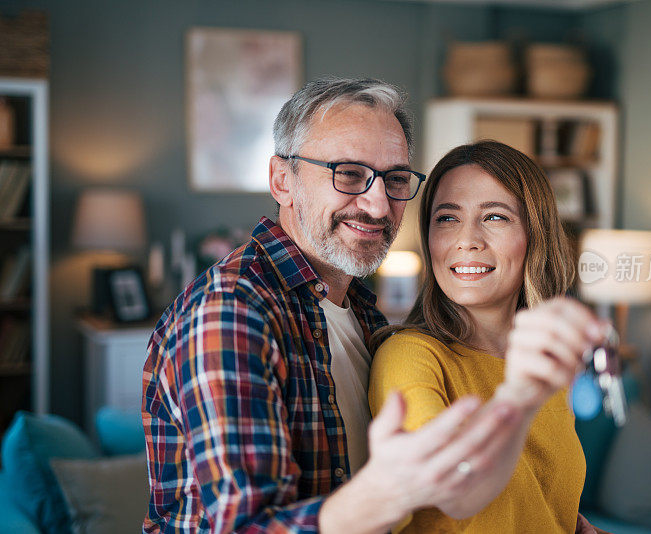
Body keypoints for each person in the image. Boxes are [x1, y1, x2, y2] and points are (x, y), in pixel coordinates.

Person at [141, 79, 541, 533]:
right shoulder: (231, 312)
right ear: (282, 180)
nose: (376, 204)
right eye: (348, 173)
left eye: (394, 179)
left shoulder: (360, 311)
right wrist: (388, 493)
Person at [369, 140, 610, 533]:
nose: (467, 240)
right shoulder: (409, 355)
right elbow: (454, 491)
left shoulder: (544, 363)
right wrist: (518, 398)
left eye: (495, 217)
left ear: (535, 234)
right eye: (446, 218)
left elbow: (539, 504)